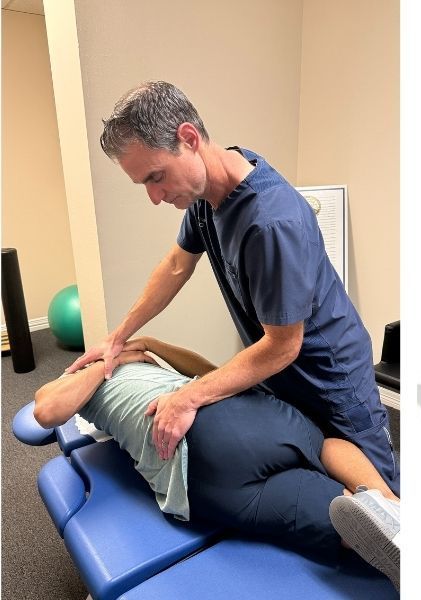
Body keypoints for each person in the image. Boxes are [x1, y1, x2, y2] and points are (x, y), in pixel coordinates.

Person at [66, 81, 398, 498]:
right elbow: (175, 266)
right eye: (144, 184)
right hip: (282, 376)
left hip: (333, 382)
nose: (154, 196)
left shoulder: (271, 222)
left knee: (384, 506)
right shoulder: (207, 195)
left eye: (156, 177)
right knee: (323, 478)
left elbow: (282, 347)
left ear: (189, 138)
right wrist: (117, 337)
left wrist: (187, 397)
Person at [36, 336, 400, 590]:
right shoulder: (77, 379)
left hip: (202, 456)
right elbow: (47, 409)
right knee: (321, 448)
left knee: (310, 497)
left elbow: (210, 370)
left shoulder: (132, 365)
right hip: (232, 426)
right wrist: (108, 363)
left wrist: (148, 344)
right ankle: (391, 509)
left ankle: (390, 518)